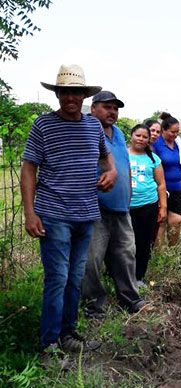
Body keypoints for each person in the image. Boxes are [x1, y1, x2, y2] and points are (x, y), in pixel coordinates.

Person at [21, 64, 116, 353]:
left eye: (76, 93)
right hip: (54, 214)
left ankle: (68, 334)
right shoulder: (43, 125)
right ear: (58, 94)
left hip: (86, 215)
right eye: (65, 92)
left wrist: (111, 173)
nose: (70, 98)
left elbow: (107, 158)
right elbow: (28, 169)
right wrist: (30, 212)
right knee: (58, 278)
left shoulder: (93, 126)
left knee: (75, 279)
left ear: (85, 96)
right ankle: (49, 343)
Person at [81, 91, 145, 318]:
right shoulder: (86, 130)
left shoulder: (118, 134)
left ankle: (131, 299)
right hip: (96, 209)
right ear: (93, 108)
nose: (112, 112)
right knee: (92, 260)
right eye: (107, 107)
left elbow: (123, 165)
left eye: (115, 108)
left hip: (121, 209)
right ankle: (94, 306)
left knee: (127, 255)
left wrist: (127, 198)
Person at [128, 124, 168, 284]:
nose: (141, 139)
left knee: (143, 242)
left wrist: (163, 207)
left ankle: (138, 277)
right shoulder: (122, 155)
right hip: (125, 207)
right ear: (131, 135)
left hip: (148, 206)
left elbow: (161, 184)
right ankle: (117, 275)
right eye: (138, 135)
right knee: (123, 243)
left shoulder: (153, 158)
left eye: (144, 137)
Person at [153, 112, 181, 246]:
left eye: (177, 132)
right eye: (172, 132)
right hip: (162, 190)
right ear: (164, 130)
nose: (175, 135)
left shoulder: (178, 144)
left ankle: (173, 249)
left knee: (176, 220)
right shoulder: (157, 144)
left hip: (177, 189)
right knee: (161, 221)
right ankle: (159, 254)